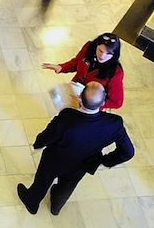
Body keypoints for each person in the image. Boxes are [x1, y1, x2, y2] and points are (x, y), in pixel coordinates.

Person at [16, 82, 135, 216]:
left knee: (43, 180)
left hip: (54, 160)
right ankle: (56, 206)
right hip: (82, 164)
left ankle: (32, 202)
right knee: (67, 186)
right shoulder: (114, 123)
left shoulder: (67, 117)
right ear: (102, 103)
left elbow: (47, 136)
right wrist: (104, 160)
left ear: (79, 97)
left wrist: (38, 143)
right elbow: (128, 152)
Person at [42, 33, 124, 109]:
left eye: (108, 53)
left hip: (89, 105)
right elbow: (76, 62)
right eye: (100, 50)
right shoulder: (88, 48)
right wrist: (61, 67)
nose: (102, 56)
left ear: (114, 55)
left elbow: (117, 102)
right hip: (74, 91)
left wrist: (93, 103)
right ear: (96, 46)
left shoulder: (116, 72)